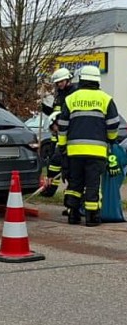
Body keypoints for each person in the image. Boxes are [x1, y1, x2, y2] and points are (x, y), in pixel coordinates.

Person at [56, 65, 120, 226]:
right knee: (93, 184)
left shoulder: (71, 99)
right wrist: (111, 140)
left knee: (75, 183)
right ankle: (92, 218)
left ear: (81, 79)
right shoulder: (106, 99)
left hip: (74, 151)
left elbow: (62, 125)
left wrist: (62, 146)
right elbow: (113, 125)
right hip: (96, 151)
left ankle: (73, 215)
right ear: (98, 80)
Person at [41, 68, 76, 196]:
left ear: (68, 79)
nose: (59, 84)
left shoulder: (73, 93)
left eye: (61, 81)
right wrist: (44, 108)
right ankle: (50, 190)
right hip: (57, 135)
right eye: (57, 82)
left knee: (66, 166)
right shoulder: (59, 95)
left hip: (66, 134)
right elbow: (54, 113)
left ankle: (71, 197)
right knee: (54, 163)